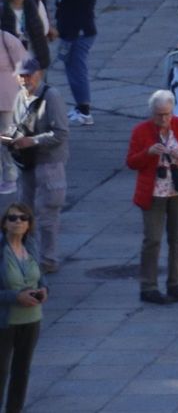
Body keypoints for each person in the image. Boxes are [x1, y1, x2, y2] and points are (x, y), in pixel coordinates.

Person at [9, 58, 67, 273]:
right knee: (24, 213)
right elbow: (17, 126)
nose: (25, 79)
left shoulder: (52, 96)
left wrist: (32, 141)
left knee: (47, 214)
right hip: (26, 163)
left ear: (39, 74)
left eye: (28, 75)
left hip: (49, 164)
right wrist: (10, 138)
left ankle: (48, 260)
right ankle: (28, 258)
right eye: (21, 75)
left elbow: (61, 133)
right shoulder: (19, 97)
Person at [37, 0, 97, 126]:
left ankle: (85, 111)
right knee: (73, 70)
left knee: (77, 71)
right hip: (73, 33)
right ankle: (80, 107)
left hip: (78, 35)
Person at [0, 202, 45, 408]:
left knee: (22, 369)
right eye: (12, 218)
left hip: (32, 319)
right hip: (6, 322)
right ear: (4, 224)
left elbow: (41, 278)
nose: (18, 221)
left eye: (23, 218)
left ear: (29, 224)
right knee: (1, 370)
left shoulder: (31, 245)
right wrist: (16, 297)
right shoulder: (2, 252)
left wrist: (44, 291)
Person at [0, 0, 47, 69]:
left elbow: (43, 30)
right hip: (10, 61)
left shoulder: (35, 5)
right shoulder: (2, 9)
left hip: (33, 57)